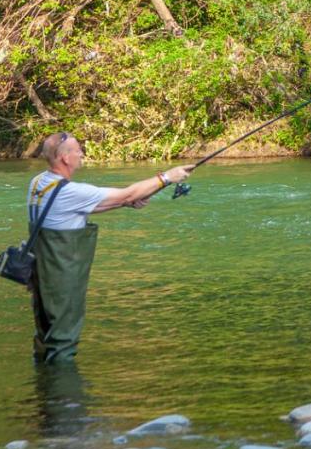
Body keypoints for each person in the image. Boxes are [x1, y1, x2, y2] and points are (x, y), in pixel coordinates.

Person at [27, 131, 192, 363]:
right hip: (63, 278)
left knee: (45, 336)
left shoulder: (38, 183)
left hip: (41, 275)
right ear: (65, 158)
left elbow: (82, 208)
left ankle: (43, 381)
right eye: (78, 150)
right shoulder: (71, 192)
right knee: (63, 341)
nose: (82, 154)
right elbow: (127, 194)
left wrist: (125, 203)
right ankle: (62, 386)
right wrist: (167, 177)